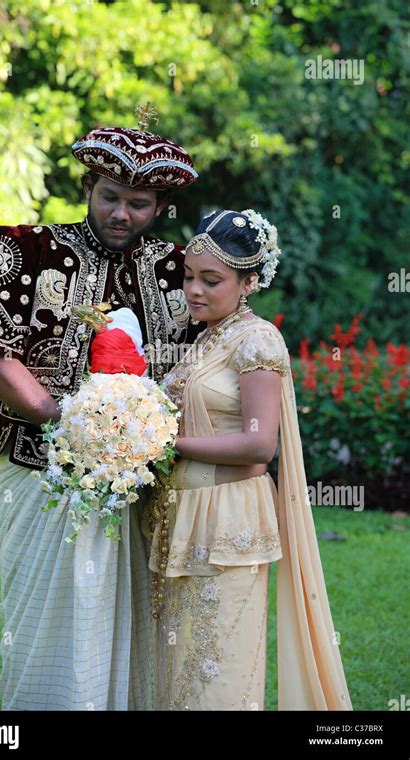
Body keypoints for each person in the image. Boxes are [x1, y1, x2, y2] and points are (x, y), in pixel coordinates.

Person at [0, 116, 204, 710]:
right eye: (110, 197)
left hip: (139, 478)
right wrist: (72, 425)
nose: (122, 214)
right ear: (88, 187)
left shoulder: (180, 271)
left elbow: (204, 367)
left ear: (159, 205)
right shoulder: (27, 252)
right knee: (48, 618)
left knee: (129, 623)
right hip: (36, 465)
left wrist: (132, 439)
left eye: (139, 204)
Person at [144, 209, 353, 711]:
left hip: (228, 521)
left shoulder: (257, 339)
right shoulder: (205, 337)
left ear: (249, 281)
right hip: (184, 516)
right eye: (189, 277)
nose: (193, 289)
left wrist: (162, 442)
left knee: (218, 667)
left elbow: (260, 447)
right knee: (178, 665)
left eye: (210, 280)